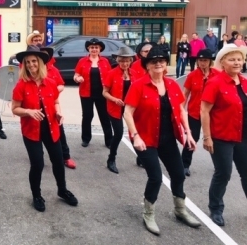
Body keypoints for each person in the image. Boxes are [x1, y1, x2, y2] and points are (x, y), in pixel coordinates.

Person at [123, 47, 200, 235]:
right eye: (153, 61)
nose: (158, 64)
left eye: (162, 61)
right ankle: (148, 213)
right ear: (147, 65)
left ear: (166, 64)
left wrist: (188, 132)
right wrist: (136, 136)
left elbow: (181, 109)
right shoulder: (139, 85)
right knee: (156, 177)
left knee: (179, 174)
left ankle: (179, 209)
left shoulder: (172, 84)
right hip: (146, 138)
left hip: (167, 138)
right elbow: (128, 112)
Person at [11, 45, 78, 212]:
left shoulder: (51, 82)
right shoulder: (21, 85)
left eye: (34, 61)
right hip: (31, 131)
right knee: (38, 164)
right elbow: (14, 108)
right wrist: (28, 111)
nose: (31, 65)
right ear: (24, 65)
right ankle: (36, 195)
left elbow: (55, 102)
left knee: (58, 161)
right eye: (28, 62)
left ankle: (62, 190)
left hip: (51, 128)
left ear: (40, 63)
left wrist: (58, 113)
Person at [201, 43, 247, 227]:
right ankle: (216, 208)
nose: (236, 63)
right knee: (224, 173)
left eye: (239, 59)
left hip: (243, 136)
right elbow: (204, 110)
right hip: (222, 137)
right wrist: (207, 137)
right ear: (223, 62)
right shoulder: (215, 82)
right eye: (232, 59)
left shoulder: (244, 82)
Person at [182, 49, 220, 177]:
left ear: (210, 62)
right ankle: (185, 165)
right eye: (200, 60)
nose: (202, 63)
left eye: (205, 60)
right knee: (193, 138)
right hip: (194, 112)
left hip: (213, 114)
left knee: (215, 138)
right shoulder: (192, 75)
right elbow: (186, 94)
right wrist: (181, 109)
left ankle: (219, 165)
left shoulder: (217, 75)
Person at [39, 45, 76, 169]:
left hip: (52, 105)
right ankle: (38, 157)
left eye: (45, 54)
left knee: (60, 131)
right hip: (36, 108)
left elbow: (61, 85)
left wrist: (51, 90)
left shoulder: (53, 70)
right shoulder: (31, 70)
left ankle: (66, 157)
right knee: (37, 133)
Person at [102, 46, 138, 174]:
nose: (124, 63)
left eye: (127, 60)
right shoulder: (111, 73)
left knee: (136, 132)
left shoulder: (135, 74)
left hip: (131, 108)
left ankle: (141, 157)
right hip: (115, 107)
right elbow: (104, 92)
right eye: (122, 61)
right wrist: (114, 99)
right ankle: (111, 159)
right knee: (118, 134)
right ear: (118, 60)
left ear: (131, 61)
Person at [74, 38, 112, 148]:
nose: (94, 49)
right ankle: (86, 139)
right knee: (87, 116)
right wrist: (78, 78)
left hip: (102, 94)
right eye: (92, 47)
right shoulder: (82, 61)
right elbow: (76, 75)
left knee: (105, 117)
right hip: (86, 93)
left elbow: (110, 77)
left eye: (96, 47)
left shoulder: (105, 61)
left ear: (100, 49)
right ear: (88, 49)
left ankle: (109, 140)